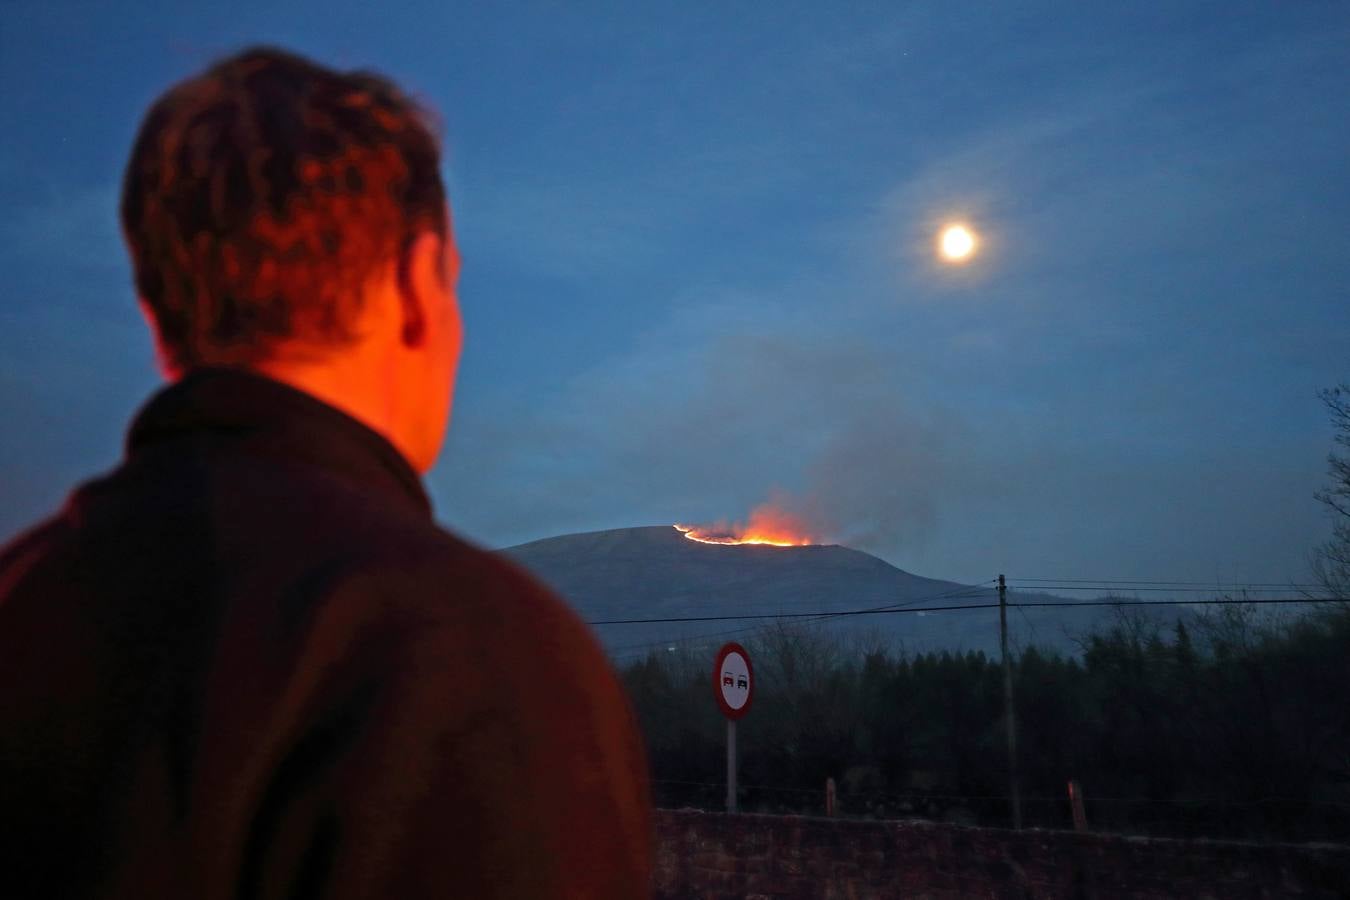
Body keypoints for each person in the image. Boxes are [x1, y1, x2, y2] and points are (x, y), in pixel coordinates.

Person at [0, 46, 652, 899]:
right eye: (453, 285)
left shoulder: (23, 609)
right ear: (421, 286)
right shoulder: (466, 659)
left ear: (160, 323)